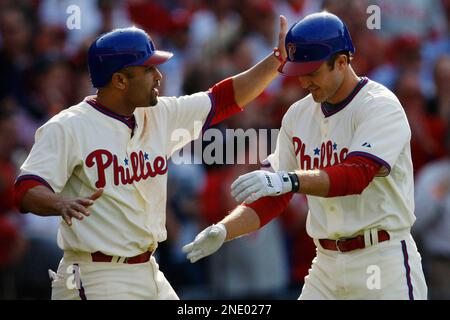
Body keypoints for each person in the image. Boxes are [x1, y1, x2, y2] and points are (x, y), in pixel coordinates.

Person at [13, 17, 289, 300]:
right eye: (148, 69)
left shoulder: (160, 114)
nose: (159, 76)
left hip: (148, 269)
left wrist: (276, 61)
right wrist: (60, 202)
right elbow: (26, 189)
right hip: (95, 273)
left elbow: (223, 99)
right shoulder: (67, 127)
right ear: (120, 80)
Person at [183, 11, 428, 300]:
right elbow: (275, 193)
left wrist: (289, 180)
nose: (303, 82)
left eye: (312, 72)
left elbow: (357, 174)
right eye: (299, 73)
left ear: (341, 61)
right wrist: (225, 230)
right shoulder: (298, 115)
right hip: (325, 265)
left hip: (381, 261)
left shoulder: (380, 106)